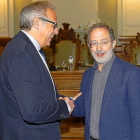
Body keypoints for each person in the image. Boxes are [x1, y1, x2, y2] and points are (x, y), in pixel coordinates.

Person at [0, 1, 75, 140]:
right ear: (37, 23)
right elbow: (33, 111)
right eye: (54, 25)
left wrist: (56, 98)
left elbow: (33, 92)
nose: (56, 31)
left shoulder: (25, 48)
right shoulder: (23, 53)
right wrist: (65, 106)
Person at [71, 23, 140, 140]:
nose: (99, 48)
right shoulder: (87, 75)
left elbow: (137, 118)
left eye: (103, 42)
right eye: (94, 43)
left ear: (113, 44)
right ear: (89, 46)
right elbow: (83, 108)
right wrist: (67, 104)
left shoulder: (130, 73)